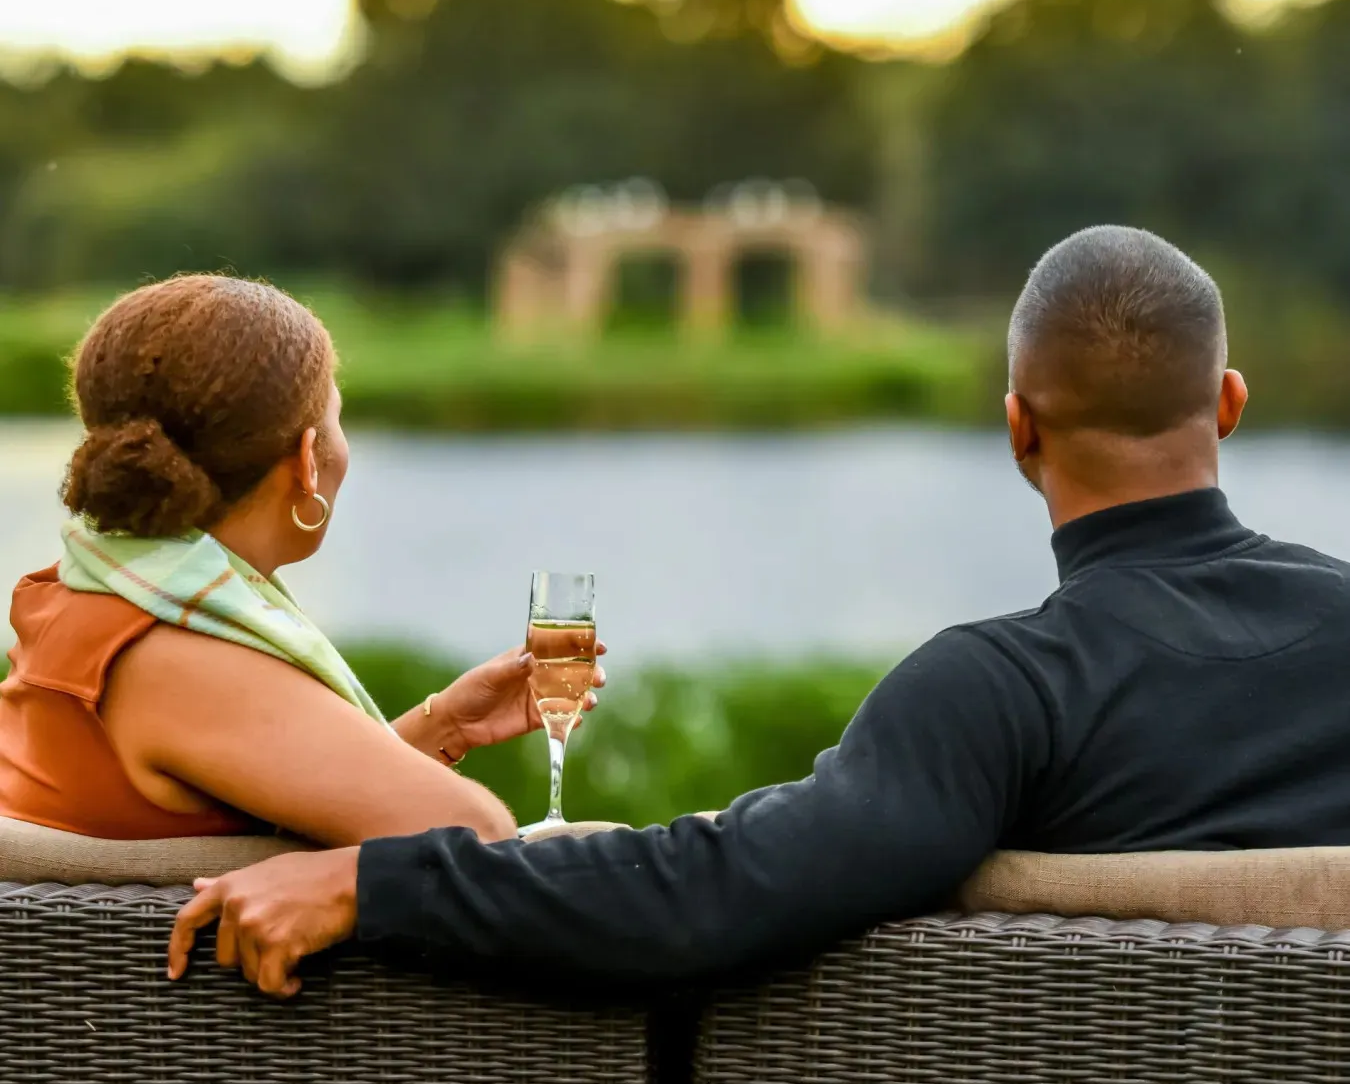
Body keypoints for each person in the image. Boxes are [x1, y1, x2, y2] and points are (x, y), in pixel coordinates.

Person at [170, 225, 1350, 1001]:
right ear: (1230, 405)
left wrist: (374, 885)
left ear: (1020, 429)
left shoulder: (1002, 689)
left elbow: (716, 895)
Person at [1, 274, 602, 848]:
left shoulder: (88, 599)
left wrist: (443, 725)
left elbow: (263, 794)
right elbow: (474, 835)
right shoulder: (175, 655)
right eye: (337, 421)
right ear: (309, 461)